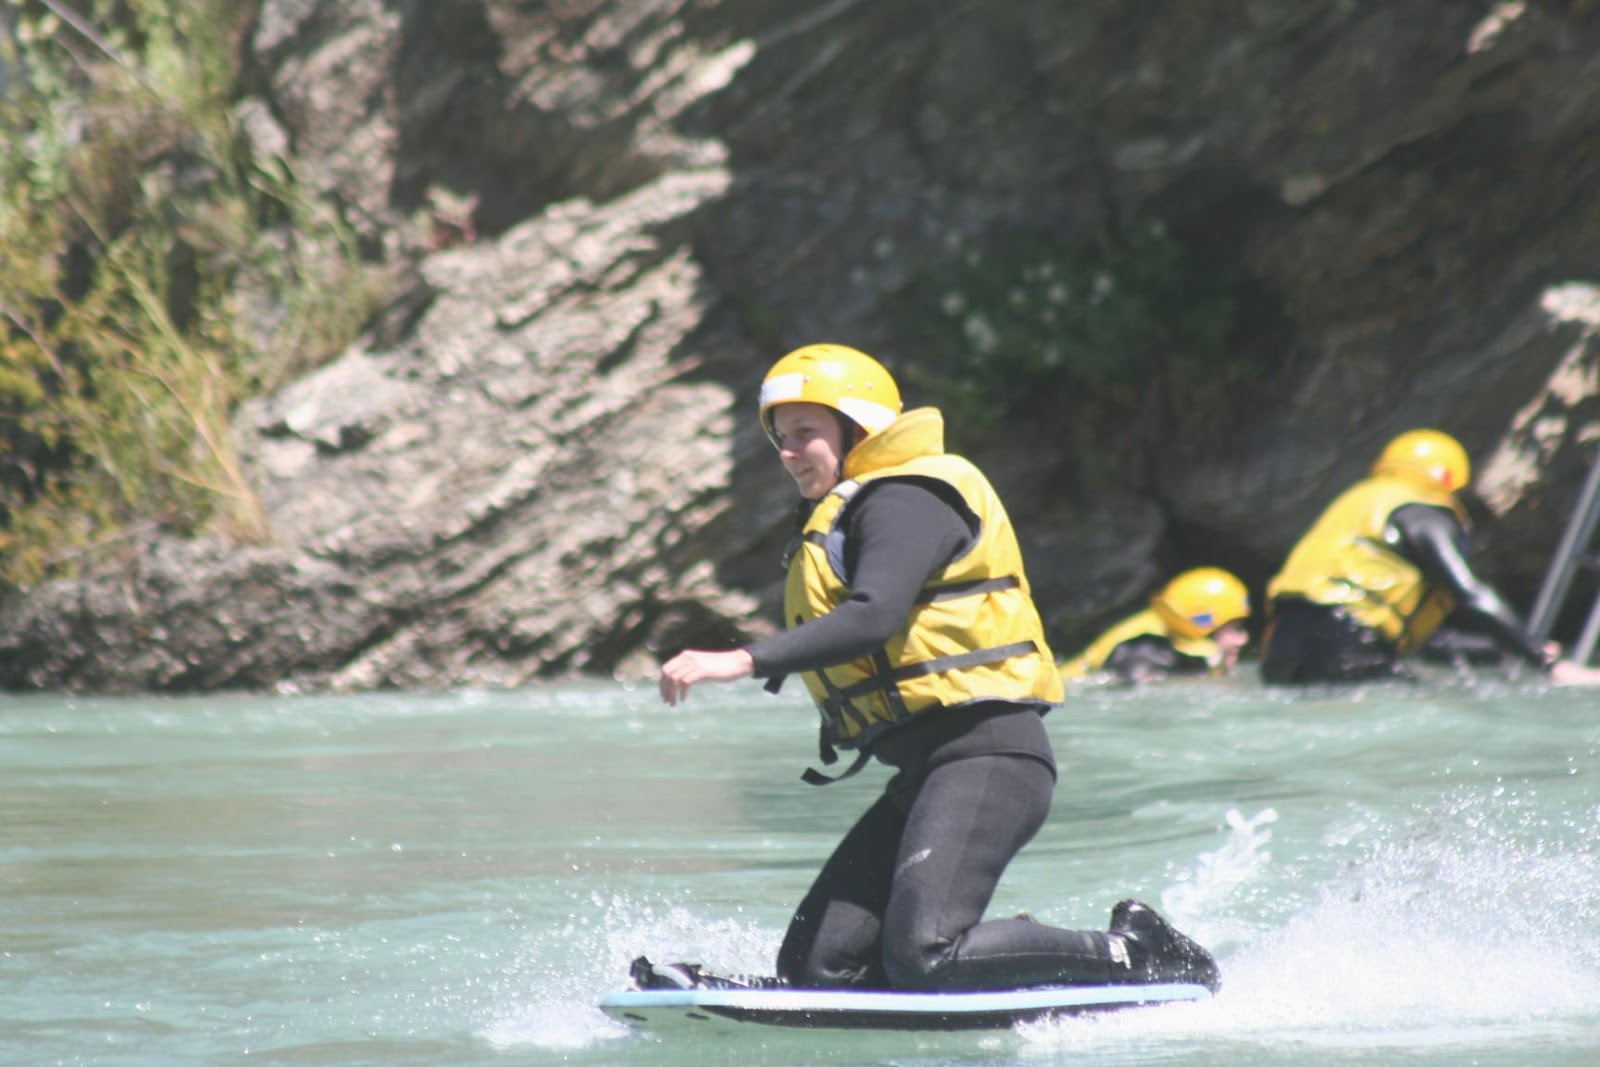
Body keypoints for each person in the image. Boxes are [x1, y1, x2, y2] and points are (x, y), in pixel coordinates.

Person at [658, 343, 1220, 993]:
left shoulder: (908, 496)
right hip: (923, 771)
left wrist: (741, 658)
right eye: (781, 438)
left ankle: (1137, 951)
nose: (788, 452)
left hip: (989, 756)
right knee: (816, 970)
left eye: (806, 432)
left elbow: (874, 616)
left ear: (859, 427)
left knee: (925, 953)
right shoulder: (851, 508)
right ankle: (997, 963)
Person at [1259, 428, 1600, 686]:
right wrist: (1545, 660)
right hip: (1345, 640)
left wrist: (1502, 648)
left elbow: (1428, 642)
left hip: (1280, 642)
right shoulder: (1421, 509)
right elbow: (1469, 593)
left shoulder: (1355, 503)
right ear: (1450, 479)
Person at [1059, 567, 1251, 684]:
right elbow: (1137, 687)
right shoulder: (1144, 648)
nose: (1244, 639)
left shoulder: (1166, 639)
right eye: (1235, 629)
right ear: (1201, 624)